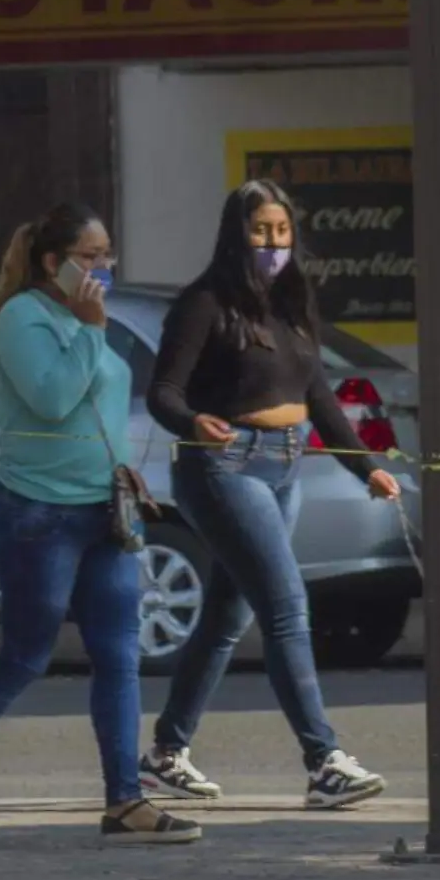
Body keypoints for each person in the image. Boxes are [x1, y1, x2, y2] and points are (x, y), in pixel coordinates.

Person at [0, 203, 201, 846]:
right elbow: (52, 397)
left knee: (120, 655)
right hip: (38, 514)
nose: (103, 268)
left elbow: (97, 407)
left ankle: (124, 800)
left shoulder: (88, 316)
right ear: (52, 262)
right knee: (26, 655)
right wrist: (91, 330)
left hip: (105, 509)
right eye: (90, 257)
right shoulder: (22, 318)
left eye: (108, 256)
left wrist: (122, 470)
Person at [138, 179, 403, 810]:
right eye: (261, 231)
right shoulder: (204, 304)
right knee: (286, 605)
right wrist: (191, 421)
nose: (272, 244)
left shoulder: (290, 308)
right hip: (224, 467)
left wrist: (364, 467)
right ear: (236, 234)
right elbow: (164, 392)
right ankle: (324, 761)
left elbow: (320, 401)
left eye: (282, 232)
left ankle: (166, 756)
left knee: (230, 616)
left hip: (285, 467)